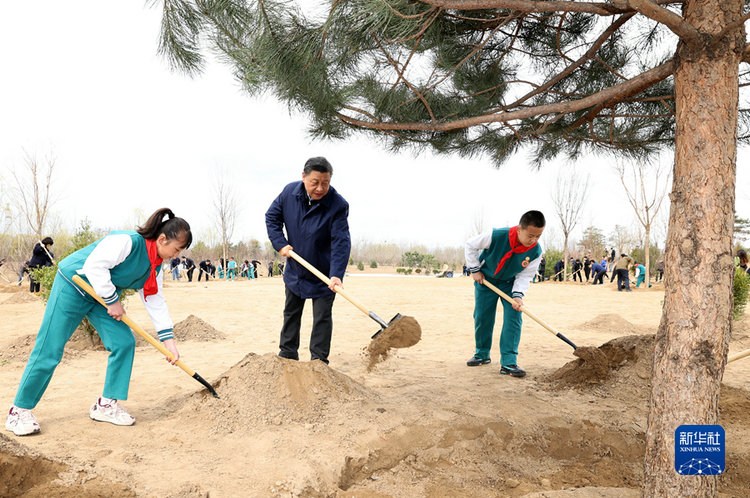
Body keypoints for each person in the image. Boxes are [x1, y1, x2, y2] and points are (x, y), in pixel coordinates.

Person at [5, 208, 191, 436]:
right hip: (73, 285)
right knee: (50, 348)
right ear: (162, 239)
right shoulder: (128, 242)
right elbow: (94, 266)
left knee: (123, 342)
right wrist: (113, 301)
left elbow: (155, 300)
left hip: (101, 296)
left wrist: (168, 341)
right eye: (177, 249)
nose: (177, 255)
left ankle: (105, 405)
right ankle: (19, 410)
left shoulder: (155, 265)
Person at [265, 156, 351, 364]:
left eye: (325, 183)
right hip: (296, 268)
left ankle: (319, 361)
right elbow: (272, 217)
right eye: (315, 182)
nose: (320, 188)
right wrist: (280, 243)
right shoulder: (289, 193)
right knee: (291, 313)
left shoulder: (338, 205)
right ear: (303, 177)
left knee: (322, 317)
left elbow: (341, 241)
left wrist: (336, 275)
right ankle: (287, 354)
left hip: (324, 274)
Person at [464, 210, 545, 378]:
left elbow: (525, 275)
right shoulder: (497, 235)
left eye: (538, 236)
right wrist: (475, 269)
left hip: (510, 283)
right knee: (482, 317)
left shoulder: (536, 252)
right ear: (519, 229)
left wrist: (517, 295)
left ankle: (508, 362)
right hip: (485, 280)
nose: (534, 240)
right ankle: (482, 354)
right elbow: (470, 245)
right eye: (530, 236)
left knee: (514, 318)